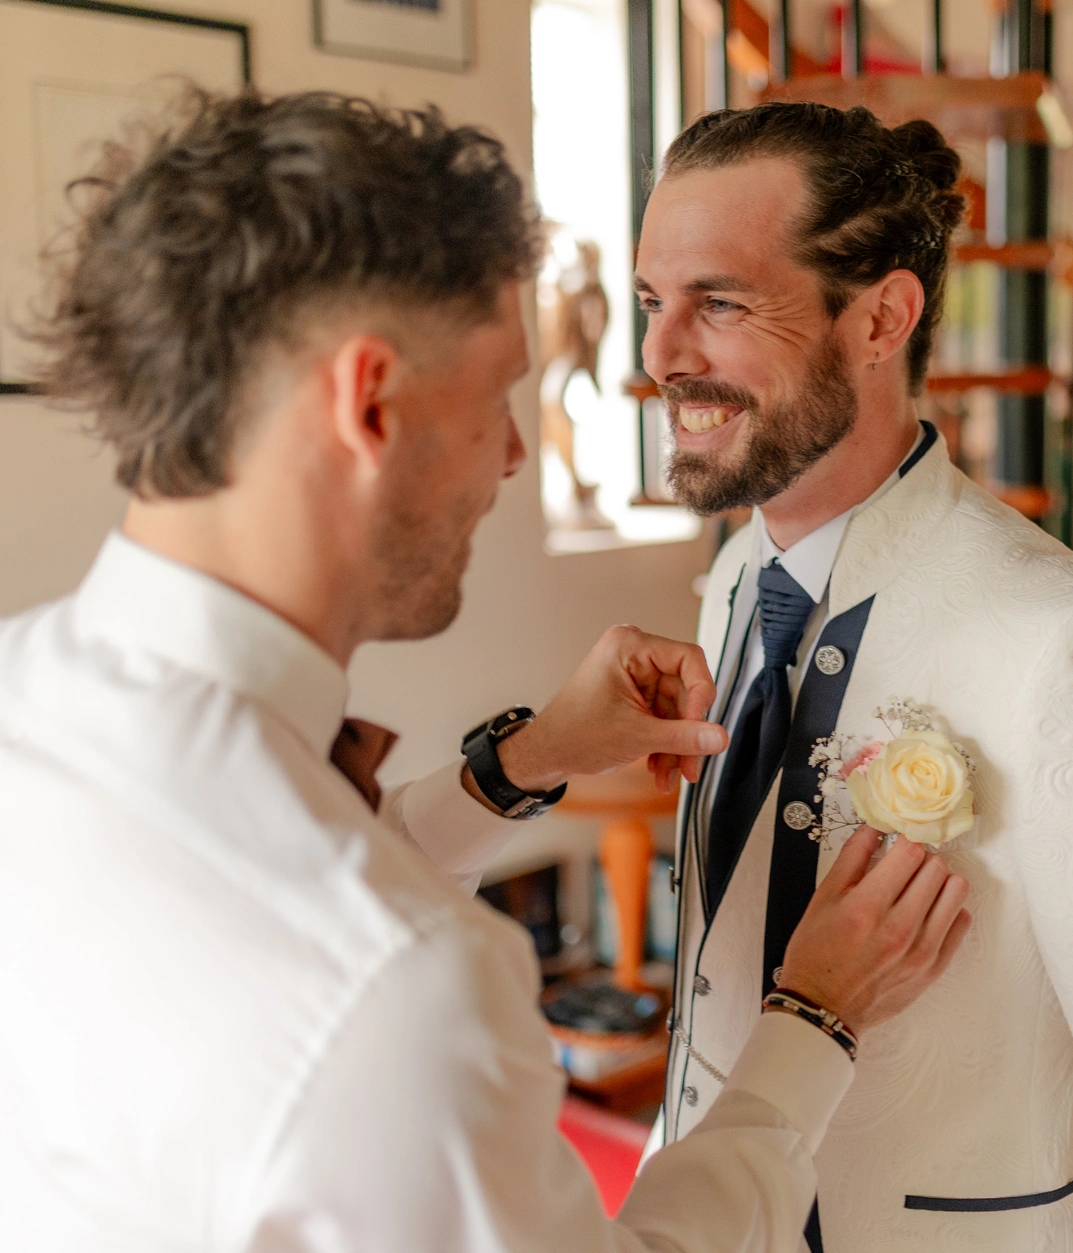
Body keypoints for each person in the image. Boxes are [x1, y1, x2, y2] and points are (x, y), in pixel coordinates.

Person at [0, 88, 970, 1253]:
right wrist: (812, 1017)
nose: (516, 454)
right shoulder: (398, 993)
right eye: (493, 397)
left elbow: (238, 892)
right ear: (370, 402)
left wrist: (524, 761)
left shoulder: (29, 695)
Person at [636, 102, 1073, 1253]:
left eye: (718, 302)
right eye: (654, 303)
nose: (659, 353)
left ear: (880, 316)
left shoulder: (1060, 639)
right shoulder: (735, 581)